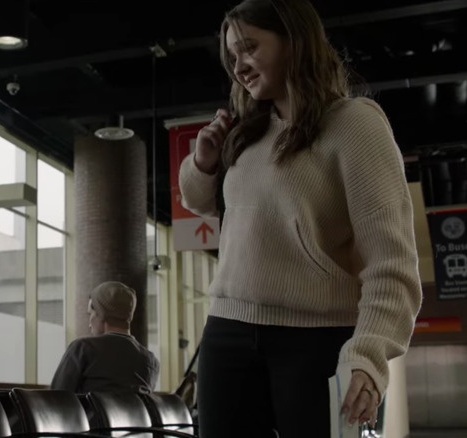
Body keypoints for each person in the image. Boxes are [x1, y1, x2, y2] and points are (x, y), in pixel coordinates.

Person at [178, 0, 422, 436]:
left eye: (250, 47)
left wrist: (367, 355)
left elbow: (391, 264)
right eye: (232, 56)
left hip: (316, 338)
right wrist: (203, 162)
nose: (239, 66)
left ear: (295, 41)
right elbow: (205, 204)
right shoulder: (247, 134)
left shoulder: (354, 125)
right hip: (227, 332)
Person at [50, 281, 159, 394]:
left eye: (90, 314)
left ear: (101, 314)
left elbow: (56, 400)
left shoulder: (83, 348)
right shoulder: (151, 361)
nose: (89, 324)